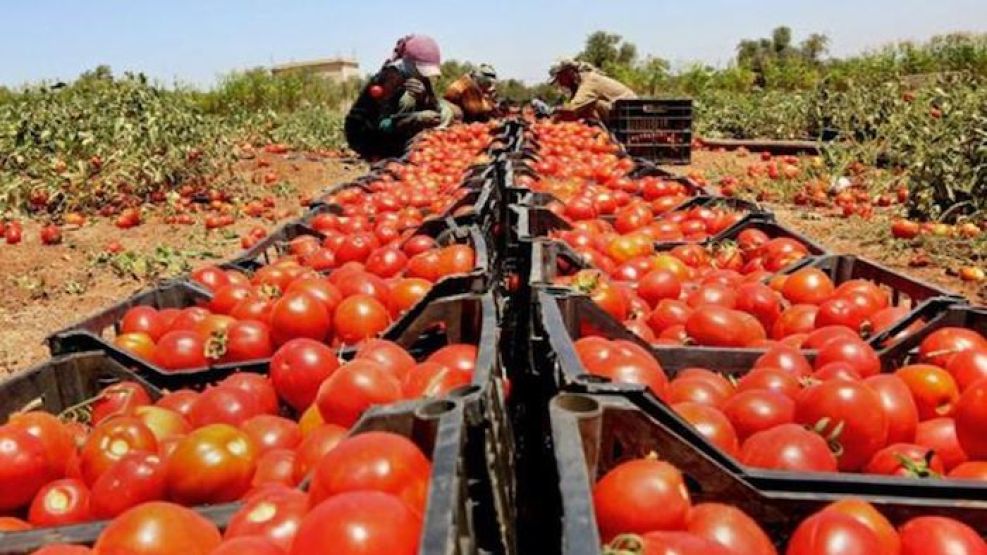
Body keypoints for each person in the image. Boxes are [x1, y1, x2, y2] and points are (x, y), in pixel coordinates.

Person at [344, 34, 456, 159]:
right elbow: (382, 125)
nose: (422, 75)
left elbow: (434, 107)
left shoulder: (420, 78)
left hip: (394, 129)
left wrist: (424, 98)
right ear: (408, 63)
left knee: (446, 110)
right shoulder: (388, 79)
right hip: (366, 137)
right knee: (409, 100)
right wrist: (414, 119)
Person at [546, 59, 637, 122]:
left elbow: (573, 107)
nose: (561, 83)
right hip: (619, 111)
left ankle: (606, 135)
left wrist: (555, 113)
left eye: (560, 79)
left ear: (569, 73)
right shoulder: (579, 84)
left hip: (630, 113)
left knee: (587, 106)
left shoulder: (590, 80)